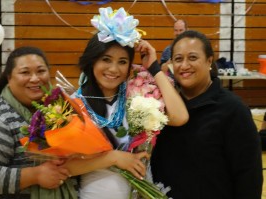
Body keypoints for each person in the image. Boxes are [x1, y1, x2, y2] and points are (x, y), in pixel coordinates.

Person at [66, 8, 189, 199]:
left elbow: (180, 117)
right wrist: (114, 158)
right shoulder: (74, 104)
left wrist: (154, 68)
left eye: (122, 62)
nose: (113, 69)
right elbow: (66, 167)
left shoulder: (138, 95)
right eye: (106, 59)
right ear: (92, 61)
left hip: (139, 192)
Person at [151, 30, 263, 199]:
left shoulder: (233, 109)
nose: (184, 65)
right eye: (178, 59)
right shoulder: (161, 104)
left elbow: (248, 176)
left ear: (209, 61)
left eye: (193, 57)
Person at [0, 46, 72, 198]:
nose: (35, 78)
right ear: (9, 78)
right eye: (25, 72)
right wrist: (35, 175)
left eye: (41, 71)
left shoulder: (60, 109)